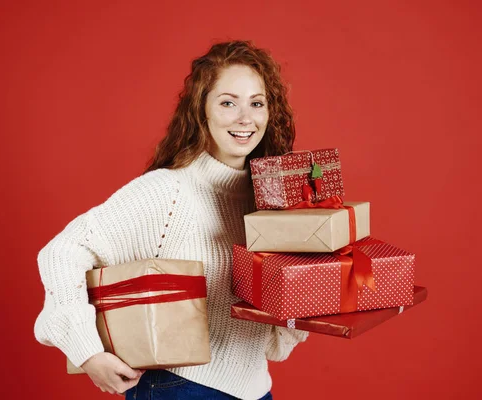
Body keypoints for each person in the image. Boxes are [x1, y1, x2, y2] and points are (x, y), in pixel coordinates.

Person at [34, 40, 309, 400]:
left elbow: (274, 334)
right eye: (228, 103)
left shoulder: (272, 200)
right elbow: (63, 251)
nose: (246, 118)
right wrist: (87, 351)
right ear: (201, 111)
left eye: (257, 103)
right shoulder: (168, 191)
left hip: (256, 389)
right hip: (181, 388)